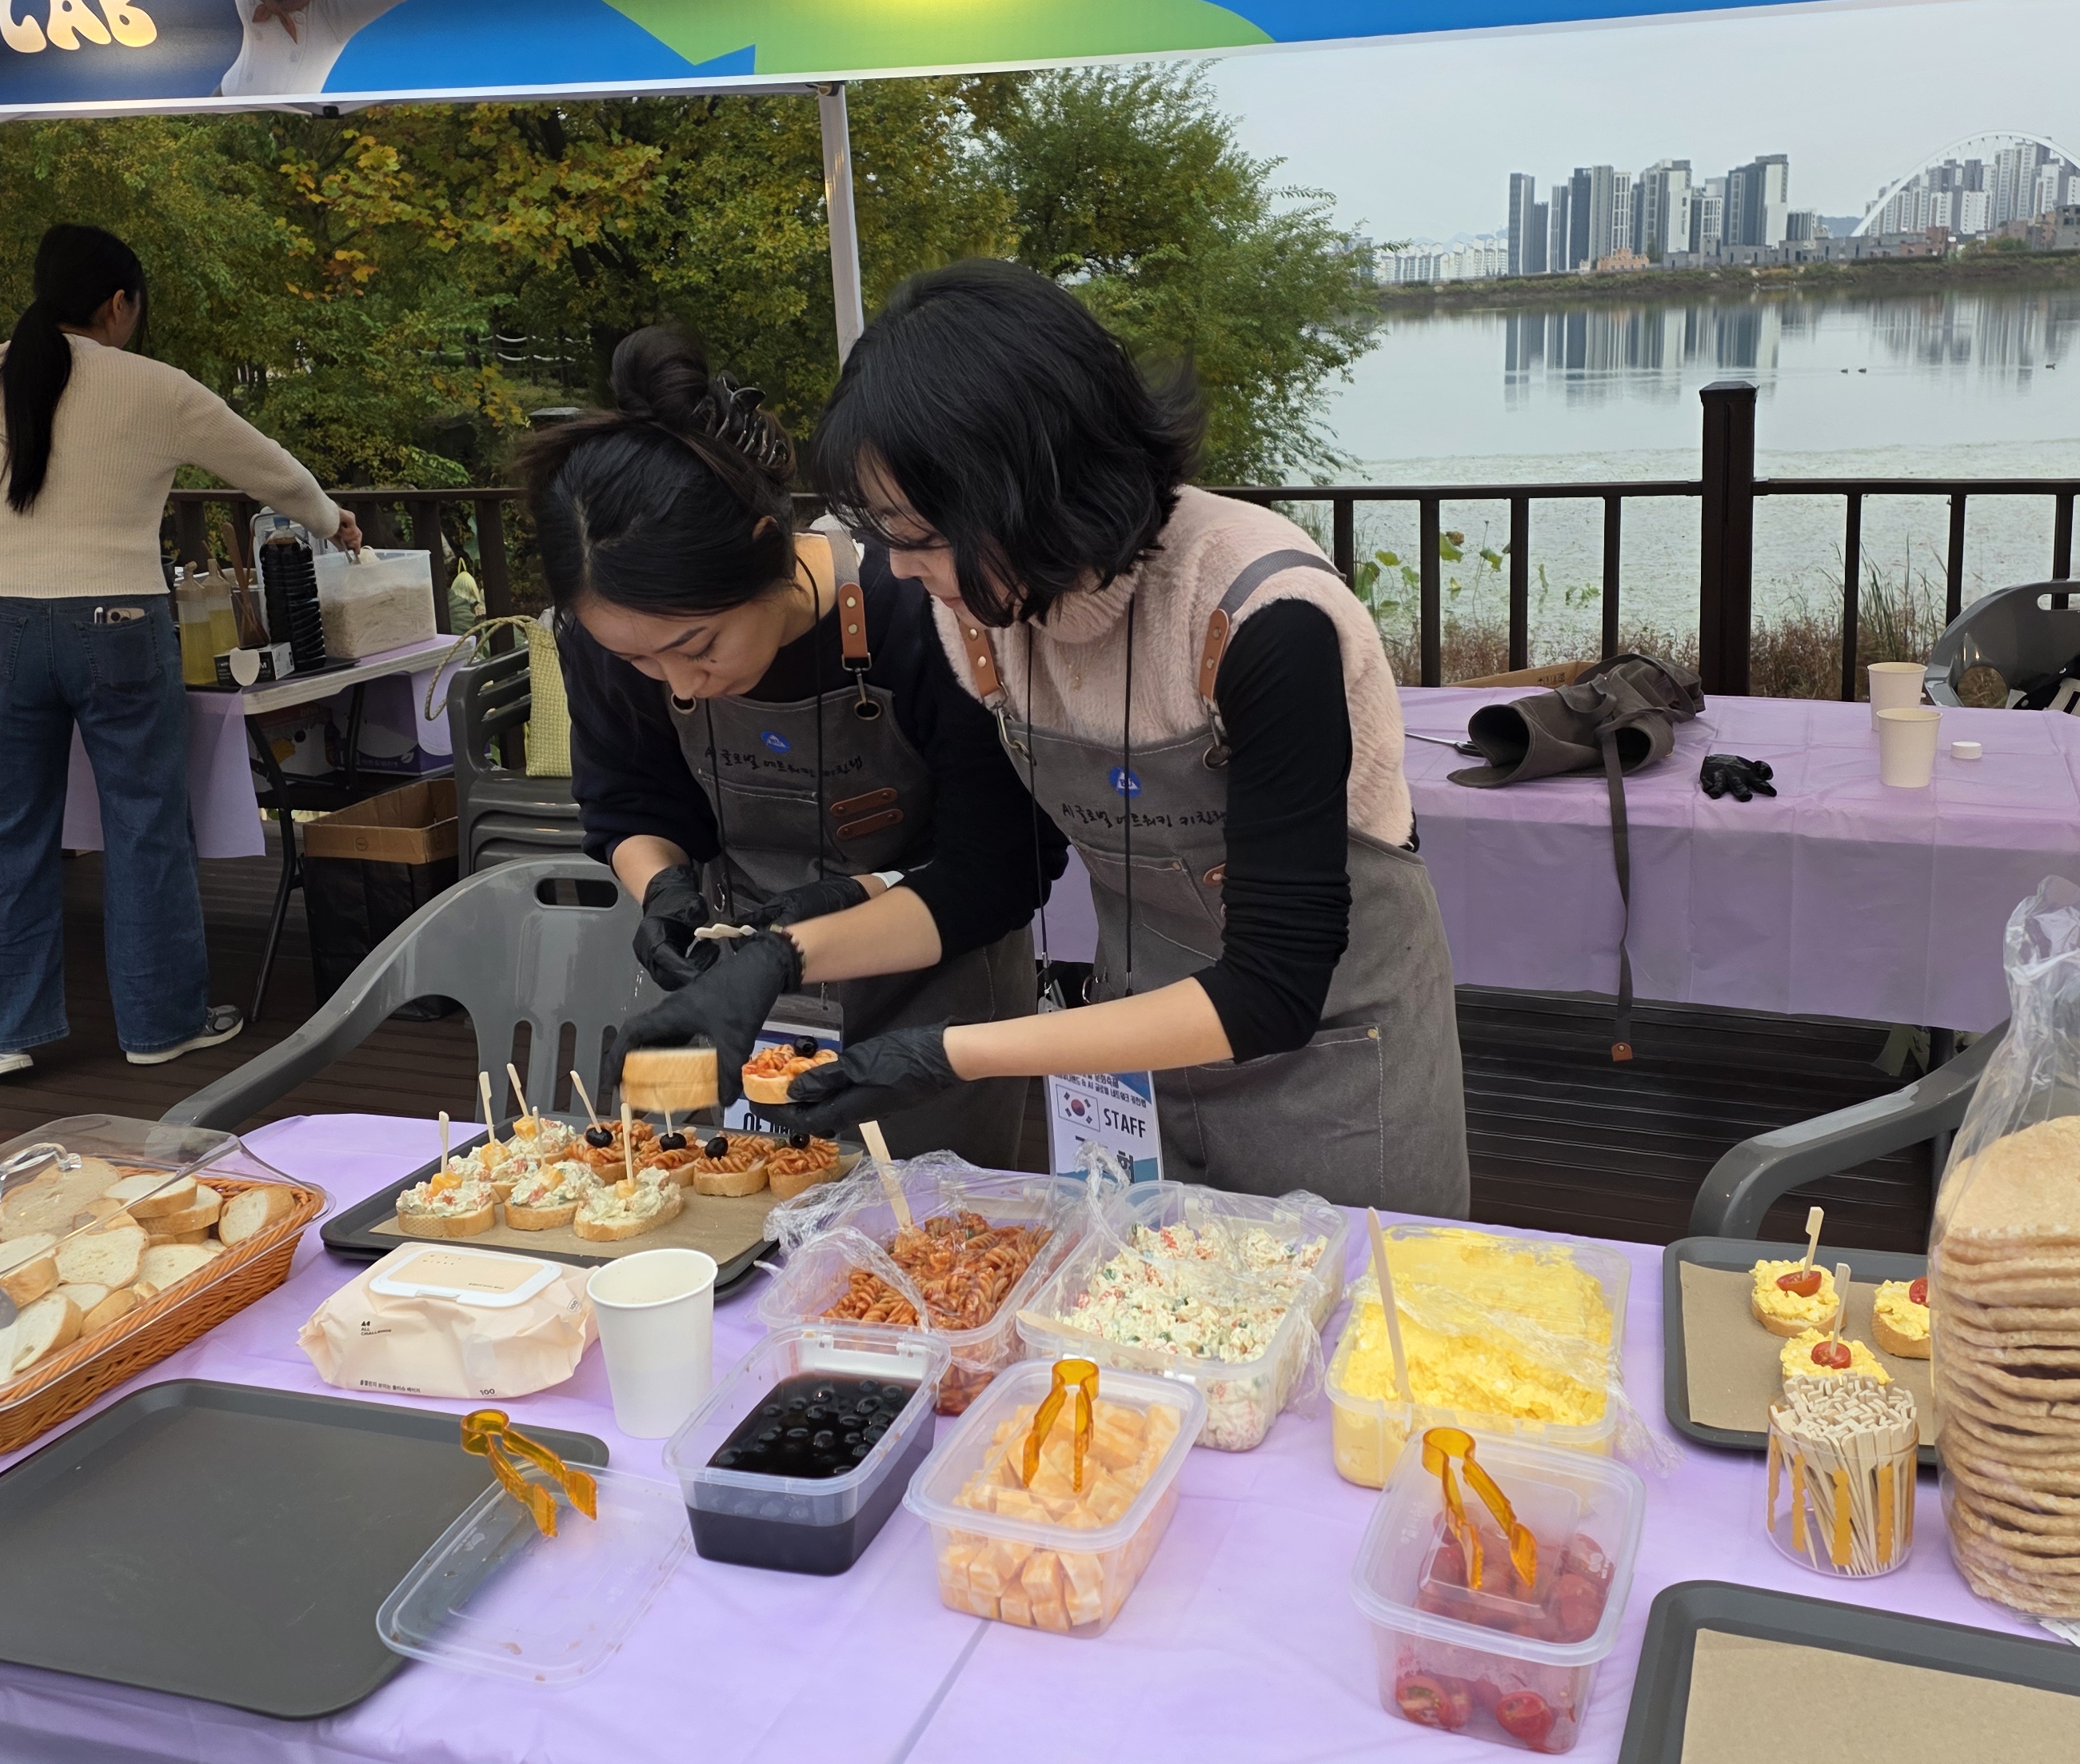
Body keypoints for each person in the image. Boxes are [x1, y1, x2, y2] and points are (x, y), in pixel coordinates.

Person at [633, 260, 1469, 1214]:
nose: (900, 573)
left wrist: (944, 1052)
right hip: (1131, 1055)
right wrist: (779, 959)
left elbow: (1271, 989)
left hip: (1330, 1066)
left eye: (921, 535)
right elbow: (986, 875)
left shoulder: (1262, 617)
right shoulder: (982, 618)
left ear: (1027, 484)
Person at [520, 327, 1062, 1163]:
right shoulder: (604, 634)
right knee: (706, 1208)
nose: (681, 685)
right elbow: (628, 800)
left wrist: (793, 948)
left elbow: (997, 868)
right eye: (639, 660)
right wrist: (662, 888)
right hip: (724, 989)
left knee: (922, 1236)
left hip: (934, 982)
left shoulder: (917, 614)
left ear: (768, 553)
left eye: (700, 646)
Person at [0, 224, 361, 1080]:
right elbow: (269, 469)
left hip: (1, 616)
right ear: (117, 304)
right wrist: (326, 516)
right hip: (118, 619)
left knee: (3, 829)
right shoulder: (157, 388)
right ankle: (161, 1023)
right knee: (143, 824)